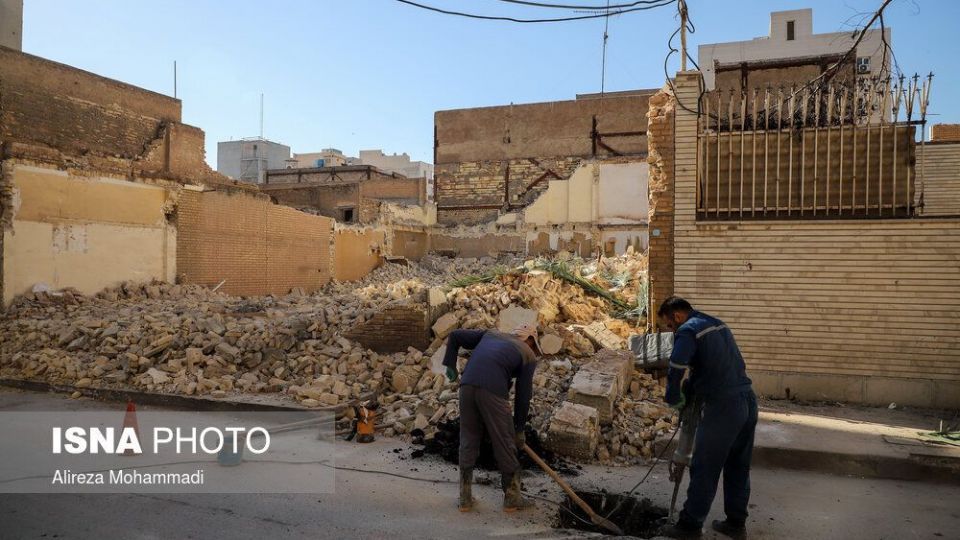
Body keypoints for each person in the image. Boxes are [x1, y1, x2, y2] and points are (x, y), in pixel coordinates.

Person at [657, 296, 758, 539]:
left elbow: (677, 367)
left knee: (705, 466)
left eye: (670, 325)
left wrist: (673, 396)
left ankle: (689, 526)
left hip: (723, 407)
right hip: (747, 401)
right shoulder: (716, 324)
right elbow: (714, 365)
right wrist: (692, 388)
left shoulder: (688, 330)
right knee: (737, 465)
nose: (672, 330)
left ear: (677, 316)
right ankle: (736, 524)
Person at [442, 323, 541, 513]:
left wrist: (450, 364)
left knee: (468, 437)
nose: (533, 350)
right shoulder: (527, 354)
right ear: (529, 340)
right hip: (493, 391)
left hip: (467, 386)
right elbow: (523, 396)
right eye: (534, 345)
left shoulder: (490, 335)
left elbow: (454, 335)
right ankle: (512, 498)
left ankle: (465, 499)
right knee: (504, 441)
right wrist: (519, 429)